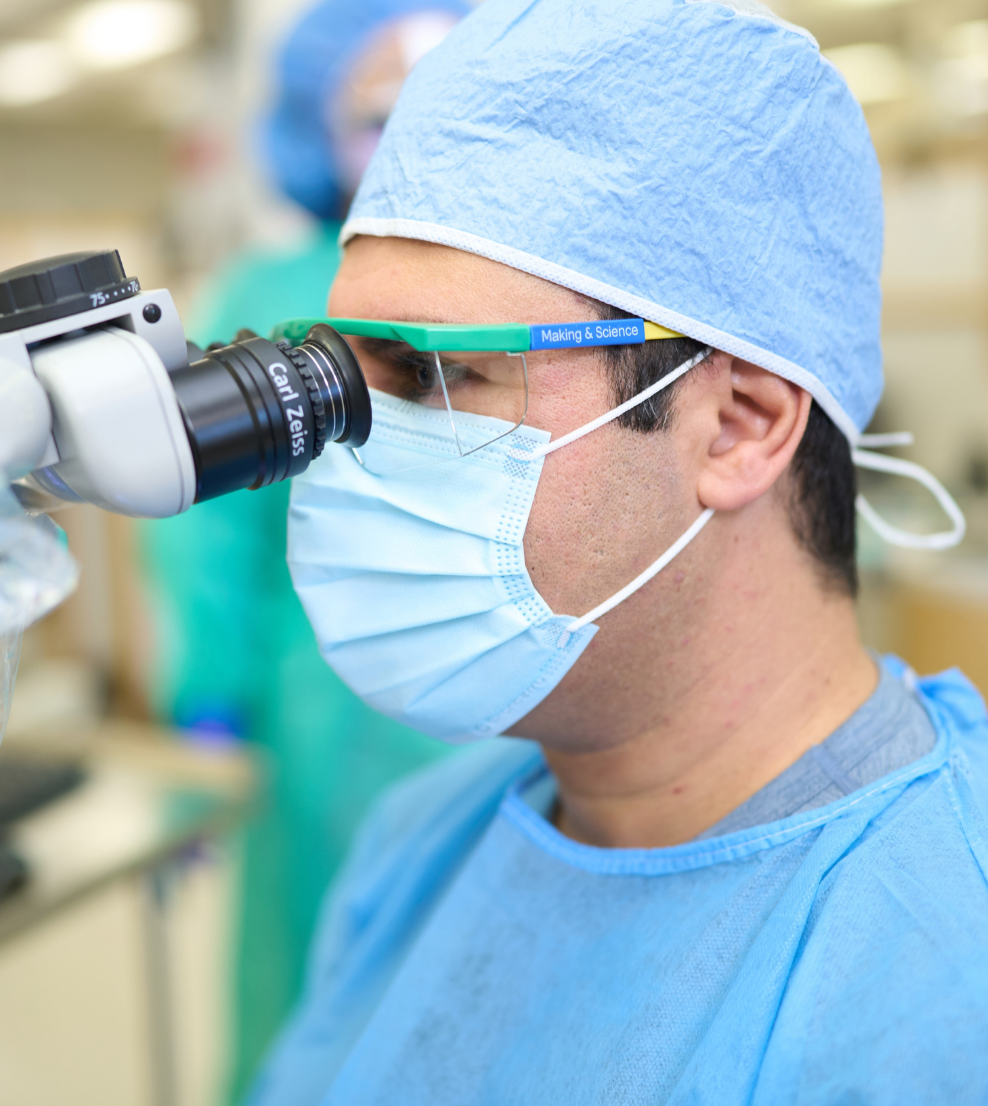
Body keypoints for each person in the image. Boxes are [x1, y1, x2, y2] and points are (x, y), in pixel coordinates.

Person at [244, 1, 988, 1103]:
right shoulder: (419, 847)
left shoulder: (938, 971)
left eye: (440, 375)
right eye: (351, 377)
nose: (359, 450)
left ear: (738, 424)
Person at [140, 0, 466, 1097]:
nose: (404, 140)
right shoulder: (268, 302)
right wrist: (209, 714)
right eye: (376, 113)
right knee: (319, 1004)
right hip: (322, 732)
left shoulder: (519, 300)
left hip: (514, 721)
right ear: (317, 129)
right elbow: (209, 542)